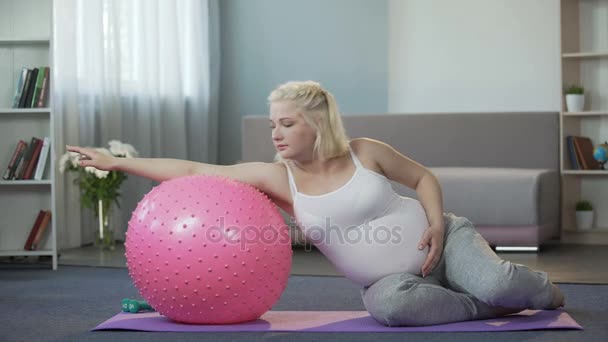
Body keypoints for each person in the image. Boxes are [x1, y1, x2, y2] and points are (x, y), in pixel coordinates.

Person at [66, 80, 565, 327]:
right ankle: (482, 306)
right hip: (390, 282)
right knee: (393, 309)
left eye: (287, 123)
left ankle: (535, 292)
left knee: (503, 280)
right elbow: (196, 171)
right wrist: (118, 161)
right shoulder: (278, 178)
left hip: (446, 241)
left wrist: (436, 224)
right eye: (273, 125)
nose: (276, 133)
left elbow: (423, 177)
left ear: (317, 124)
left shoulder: (364, 151)